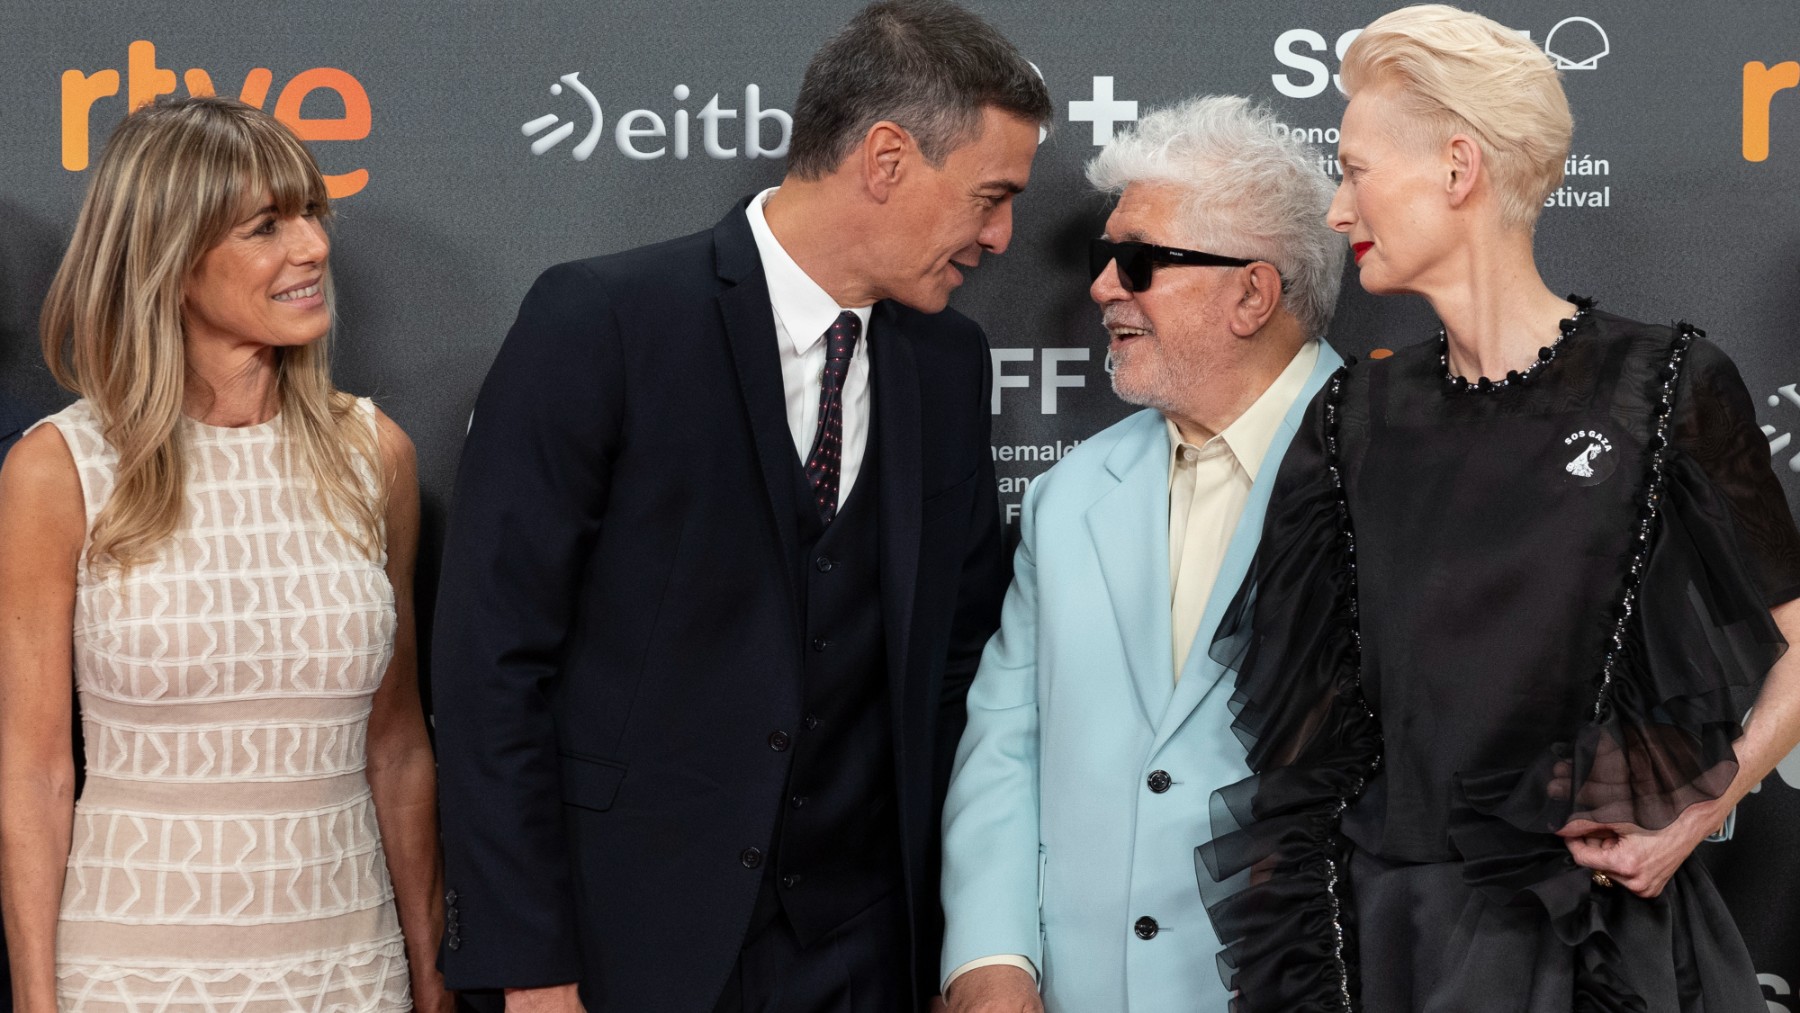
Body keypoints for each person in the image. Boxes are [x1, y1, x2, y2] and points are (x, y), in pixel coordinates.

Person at [428, 2, 1047, 1011]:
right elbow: (492, 665)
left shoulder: (947, 363)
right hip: (627, 949)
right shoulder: (606, 321)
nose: (1001, 234)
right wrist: (529, 965)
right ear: (887, 158)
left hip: (865, 952)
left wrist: (965, 940)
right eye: (989, 196)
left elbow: (955, 671)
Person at [1195, 6, 1800, 1011]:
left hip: (1602, 951)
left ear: (1458, 167)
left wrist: (1698, 810)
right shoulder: (1351, 418)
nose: (1338, 211)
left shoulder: (1664, 386)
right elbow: (1303, 750)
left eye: (1353, 169)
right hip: (1393, 949)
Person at [0, 97, 448, 1012]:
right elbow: (36, 772)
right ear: (168, 257)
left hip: (349, 970)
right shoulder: (60, 468)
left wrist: (429, 968)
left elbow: (396, 745)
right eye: (265, 226)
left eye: (313, 213)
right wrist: (37, 1000)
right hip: (131, 974)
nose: (315, 247)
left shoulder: (374, 454)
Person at [937, 96, 1344, 1013]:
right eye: (1103, 259)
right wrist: (989, 958)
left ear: (1252, 291)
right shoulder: (1069, 494)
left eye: (1139, 262)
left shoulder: (1399, 469)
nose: (1102, 289)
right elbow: (1008, 739)